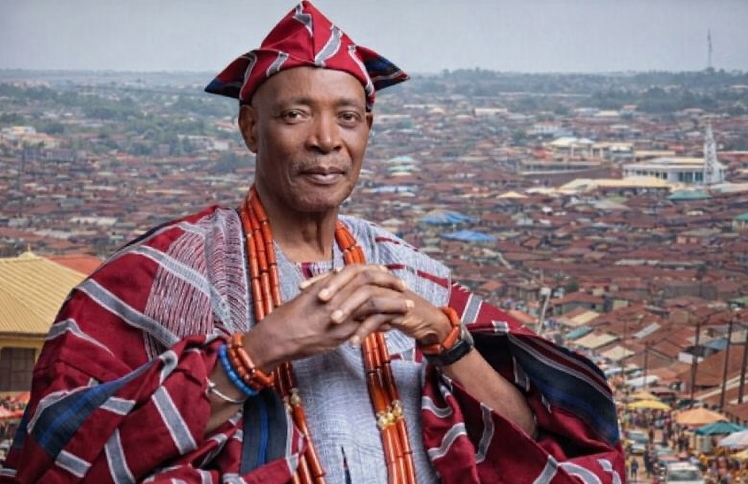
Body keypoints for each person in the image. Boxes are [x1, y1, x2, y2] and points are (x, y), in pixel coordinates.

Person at [0, 2, 624, 483]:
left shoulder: (413, 275)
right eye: (295, 114)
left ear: (367, 129)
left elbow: (533, 444)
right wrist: (259, 351)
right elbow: (59, 460)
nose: (326, 139)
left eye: (347, 117)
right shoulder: (159, 277)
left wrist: (444, 337)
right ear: (251, 128)